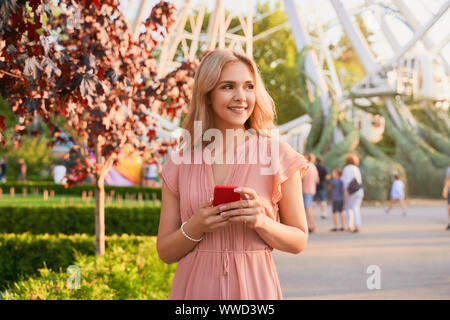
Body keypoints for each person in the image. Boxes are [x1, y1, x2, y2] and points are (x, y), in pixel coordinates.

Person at [157, 49, 309, 300]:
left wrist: (261, 221)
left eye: (249, 87)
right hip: (194, 292)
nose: (241, 97)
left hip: (255, 292)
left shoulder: (277, 155)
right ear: (207, 95)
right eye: (228, 87)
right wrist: (195, 227)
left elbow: (299, 241)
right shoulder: (179, 163)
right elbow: (165, 251)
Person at [341, 154, 364, 233]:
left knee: (349, 208)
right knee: (356, 208)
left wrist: (345, 191)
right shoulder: (356, 168)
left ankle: (350, 225)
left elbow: (344, 181)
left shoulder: (346, 168)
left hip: (350, 191)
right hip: (359, 190)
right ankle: (357, 224)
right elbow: (359, 180)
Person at [302, 153, 319, 233]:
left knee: (308, 208)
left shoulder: (306, 166)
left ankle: (311, 226)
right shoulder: (314, 167)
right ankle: (311, 225)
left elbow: (302, 178)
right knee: (309, 208)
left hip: (306, 190)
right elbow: (317, 180)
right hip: (312, 190)